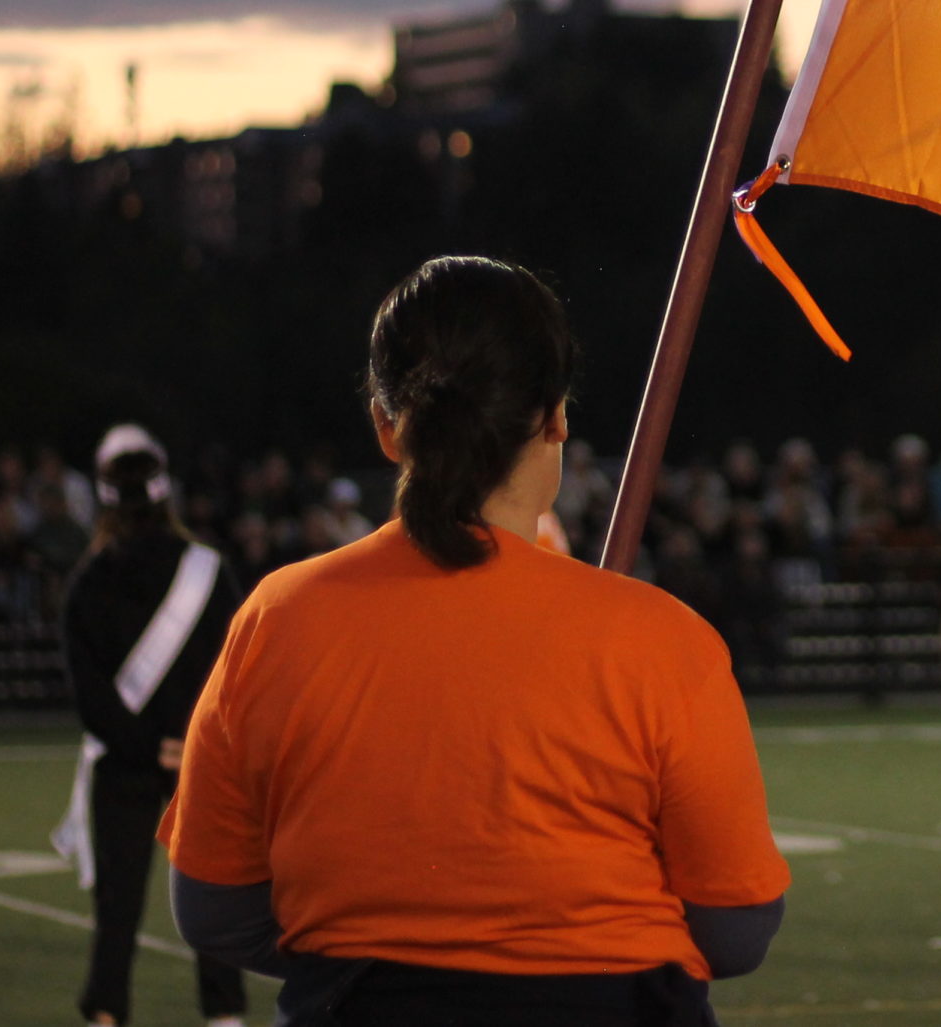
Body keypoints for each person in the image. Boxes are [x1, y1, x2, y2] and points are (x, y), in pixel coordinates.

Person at [160, 256, 788, 1026]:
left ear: (387, 427)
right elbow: (737, 922)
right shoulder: (662, 639)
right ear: (555, 417)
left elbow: (214, 906)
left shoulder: (277, 618)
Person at [55, 425, 247, 1027]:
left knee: (118, 907)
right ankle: (225, 1017)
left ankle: (107, 1014)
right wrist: (187, 741)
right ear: (166, 493)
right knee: (214, 896)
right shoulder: (209, 572)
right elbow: (236, 674)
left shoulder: (85, 585)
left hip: (125, 763)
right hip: (200, 759)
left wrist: (143, 742)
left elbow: (91, 701)